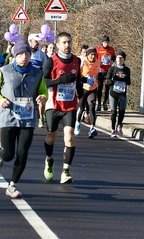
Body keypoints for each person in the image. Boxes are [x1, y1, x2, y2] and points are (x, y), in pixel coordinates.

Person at [0, 41, 48, 198]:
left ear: (30, 55)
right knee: (8, 155)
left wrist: (43, 97)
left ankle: (12, 184)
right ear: (15, 56)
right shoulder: (4, 71)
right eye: (20, 54)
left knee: (22, 152)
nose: (24, 57)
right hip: (8, 117)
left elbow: (43, 90)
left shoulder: (37, 73)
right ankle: (0, 151)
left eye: (27, 54)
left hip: (27, 119)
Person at [42, 32, 84, 184]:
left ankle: (66, 171)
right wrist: (60, 80)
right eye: (64, 43)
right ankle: (49, 160)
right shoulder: (51, 61)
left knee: (70, 136)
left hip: (70, 105)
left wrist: (80, 89)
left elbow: (78, 80)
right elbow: (44, 82)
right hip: (53, 105)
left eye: (69, 42)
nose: (67, 45)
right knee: (51, 137)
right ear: (58, 45)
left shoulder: (77, 61)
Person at [75, 47, 100, 138]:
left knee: (92, 107)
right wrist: (81, 80)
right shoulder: (83, 62)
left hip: (93, 88)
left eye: (95, 55)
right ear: (88, 55)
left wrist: (101, 76)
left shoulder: (98, 62)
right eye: (91, 55)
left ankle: (92, 128)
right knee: (81, 108)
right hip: (83, 88)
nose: (93, 57)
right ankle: (78, 123)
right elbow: (77, 74)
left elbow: (99, 73)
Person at [105, 51, 131, 137]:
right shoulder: (112, 69)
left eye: (121, 58)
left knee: (122, 111)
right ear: (116, 59)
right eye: (118, 58)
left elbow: (129, 82)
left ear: (124, 59)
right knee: (113, 112)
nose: (119, 59)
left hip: (122, 93)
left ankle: (119, 125)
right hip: (113, 93)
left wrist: (124, 79)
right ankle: (113, 129)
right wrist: (112, 80)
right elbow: (107, 81)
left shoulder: (127, 70)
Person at [28, 33, 48, 128]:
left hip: (38, 80)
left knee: (41, 101)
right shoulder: (25, 52)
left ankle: (41, 117)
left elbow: (46, 68)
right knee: (28, 102)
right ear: (30, 41)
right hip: (27, 81)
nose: (37, 43)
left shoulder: (42, 54)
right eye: (35, 41)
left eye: (38, 41)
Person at [96, 35, 116, 111]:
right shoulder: (98, 49)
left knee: (107, 88)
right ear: (102, 43)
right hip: (101, 70)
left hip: (108, 71)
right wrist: (98, 62)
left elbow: (114, 57)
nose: (106, 44)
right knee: (100, 88)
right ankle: (99, 104)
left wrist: (112, 61)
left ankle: (105, 103)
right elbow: (95, 58)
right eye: (104, 42)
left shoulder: (111, 49)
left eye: (107, 42)